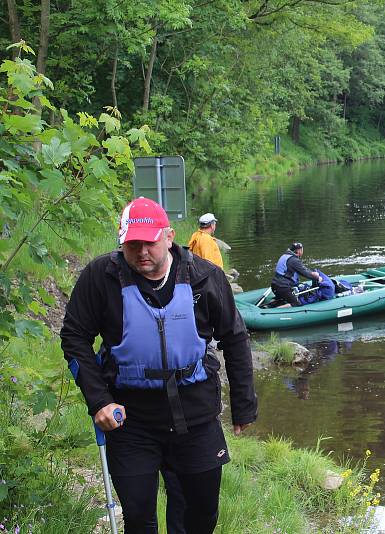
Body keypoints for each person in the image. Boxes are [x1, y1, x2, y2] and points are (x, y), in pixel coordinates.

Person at [60, 197, 257, 534]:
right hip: (131, 418)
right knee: (138, 518)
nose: (141, 252)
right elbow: (75, 336)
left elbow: (235, 338)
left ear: (168, 236)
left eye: (148, 242)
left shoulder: (204, 277)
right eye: (131, 245)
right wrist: (99, 400)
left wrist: (244, 405)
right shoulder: (101, 277)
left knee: (201, 515)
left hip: (195, 414)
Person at [270, 243, 322, 307]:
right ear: (299, 251)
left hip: (275, 285)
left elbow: (302, 269)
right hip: (283, 287)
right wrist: (317, 278)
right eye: (302, 250)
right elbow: (305, 273)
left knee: (280, 298)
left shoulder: (285, 256)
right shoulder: (294, 260)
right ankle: (274, 312)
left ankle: (270, 304)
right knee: (296, 304)